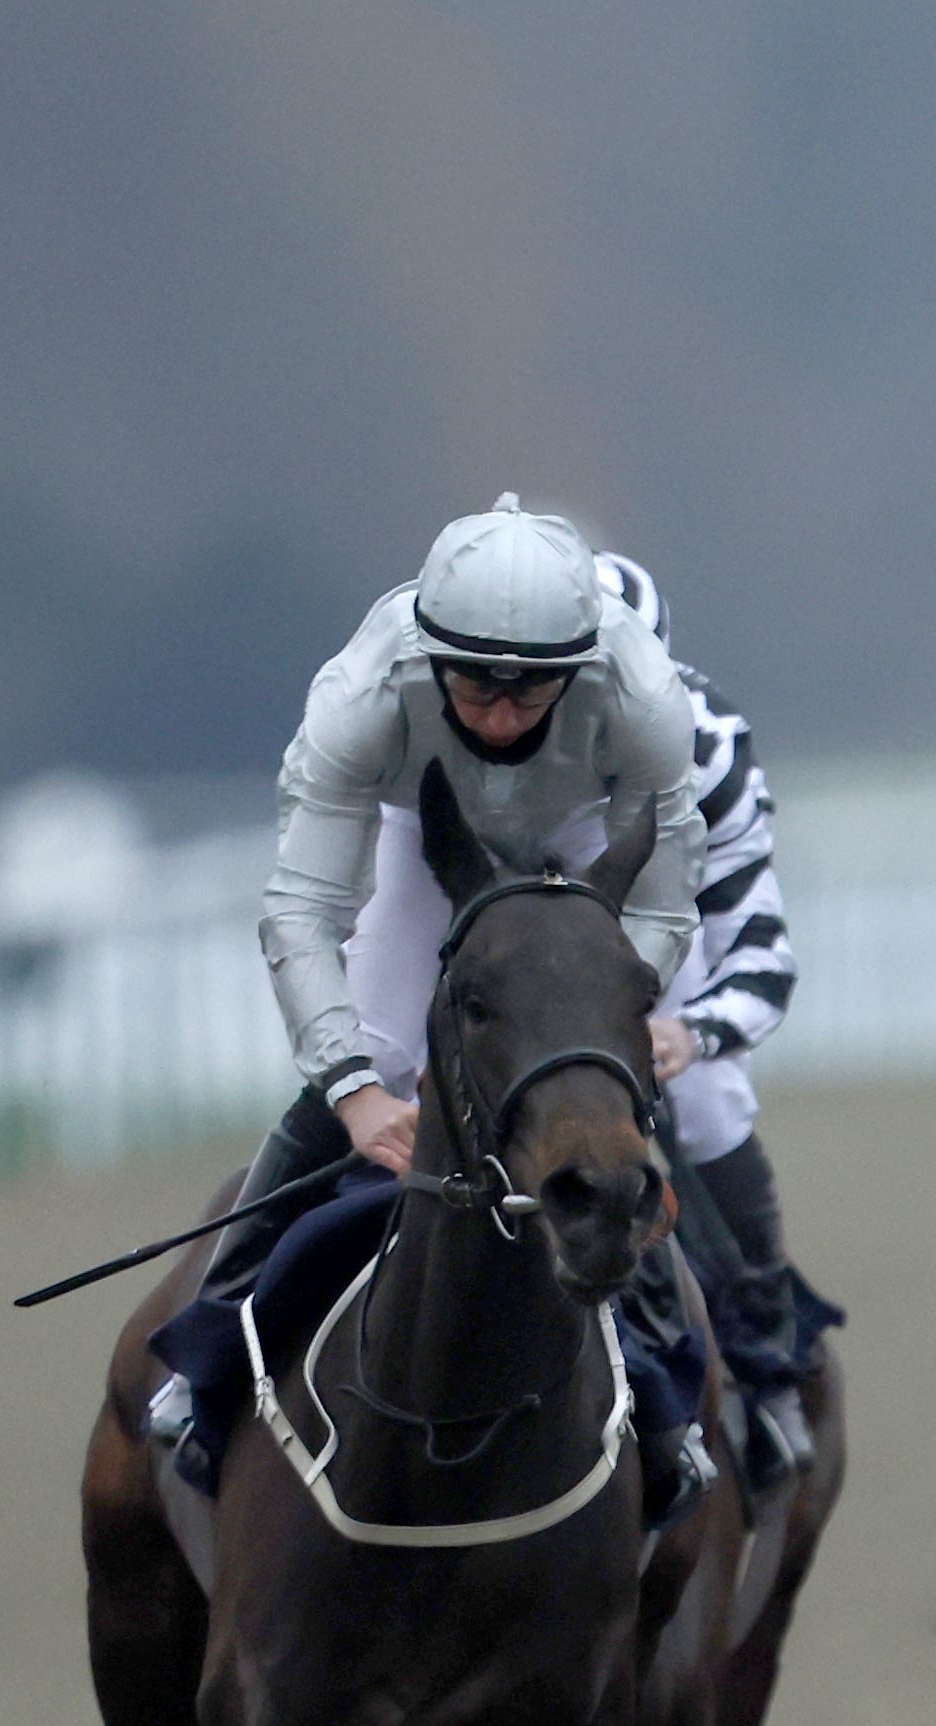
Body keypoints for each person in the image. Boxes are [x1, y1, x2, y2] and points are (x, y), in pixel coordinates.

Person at [171, 495, 711, 1489]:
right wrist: (353, 1092)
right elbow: (302, 912)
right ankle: (213, 1337)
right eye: (474, 686)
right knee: (378, 1047)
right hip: (426, 825)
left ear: (580, 669)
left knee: (597, 1087)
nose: (500, 715)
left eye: (531, 691)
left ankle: (663, 1383)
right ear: (428, 659)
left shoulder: (643, 699)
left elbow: (665, 910)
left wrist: (589, 1016)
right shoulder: (362, 695)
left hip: (583, 833)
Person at [591, 549, 819, 1484]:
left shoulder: (707, 746)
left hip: (654, 952)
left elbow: (759, 958)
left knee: (710, 1099)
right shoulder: (476, 727)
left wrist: (693, 1033)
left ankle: (767, 1359)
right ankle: (231, 1318)